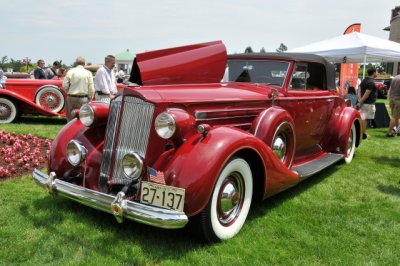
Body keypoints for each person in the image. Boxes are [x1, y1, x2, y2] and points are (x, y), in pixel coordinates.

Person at [63, 56, 94, 121]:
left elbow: (65, 85)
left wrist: (69, 92)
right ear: (84, 63)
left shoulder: (70, 72)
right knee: (83, 117)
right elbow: (91, 87)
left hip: (71, 97)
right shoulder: (88, 73)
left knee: (70, 118)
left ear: (75, 63)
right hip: (83, 98)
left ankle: (70, 130)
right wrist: (90, 97)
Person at [359, 68, 378, 139]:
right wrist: (361, 101)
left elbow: (359, 90)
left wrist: (360, 100)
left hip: (364, 103)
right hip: (368, 104)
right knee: (365, 119)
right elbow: (367, 93)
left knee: (363, 118)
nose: (377, 73)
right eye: (377, 72)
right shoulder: (371, 82)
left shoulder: (364, 80)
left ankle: (362, 133)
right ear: (374, 72)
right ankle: (363, 134)